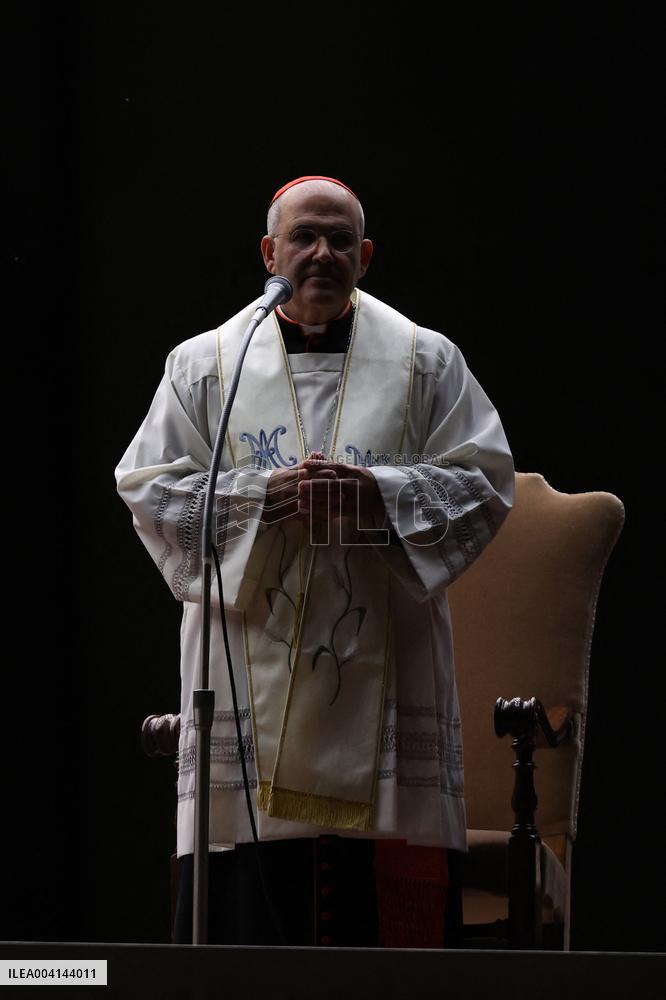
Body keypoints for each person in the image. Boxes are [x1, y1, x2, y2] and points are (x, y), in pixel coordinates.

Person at [115, 175, 515, 947]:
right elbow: (149, 488)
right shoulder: (207, 368)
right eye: (305, 237)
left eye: (341, 241)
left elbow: (484, 483)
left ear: (365, 256)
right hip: (247, 662)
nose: (322, 254)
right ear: (271, 252)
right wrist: (264, 497)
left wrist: (376, 494)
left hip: (388, 656)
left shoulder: (426, 361)